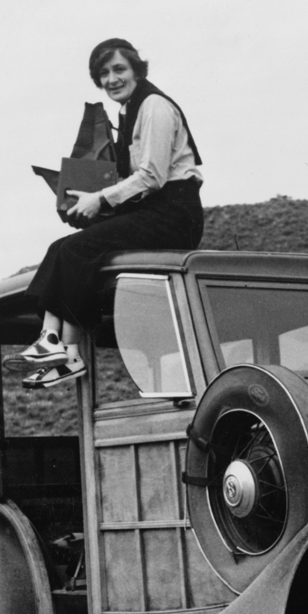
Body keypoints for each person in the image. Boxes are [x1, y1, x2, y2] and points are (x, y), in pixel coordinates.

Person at [21, 38, 204, 387]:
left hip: (175, 215)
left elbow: (152, 175)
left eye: (119, 69)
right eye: (103, 73)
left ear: (136, 69)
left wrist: (100, 200)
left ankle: (59, 346)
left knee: (78, 249)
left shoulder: (154, 106)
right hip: (154, 210)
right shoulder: (129, 110)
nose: (111, 79)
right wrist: (86, 197)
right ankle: (60, 346)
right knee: (63, 247)